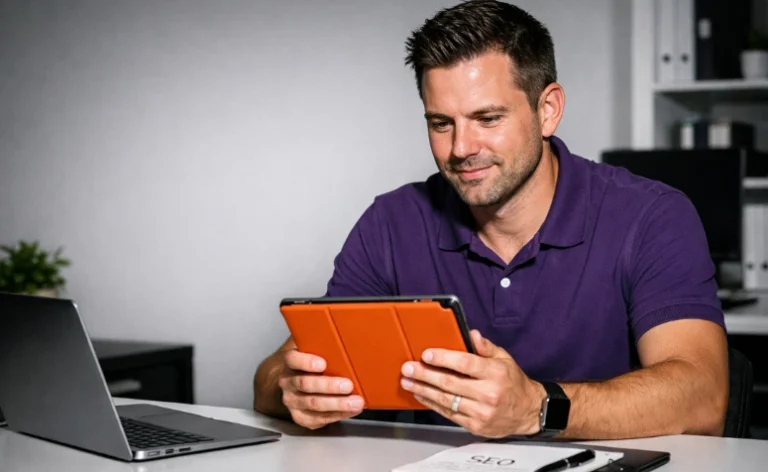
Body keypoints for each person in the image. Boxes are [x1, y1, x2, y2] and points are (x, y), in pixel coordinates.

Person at [253, 0, 728, 440]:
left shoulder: (651, 215)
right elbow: (271, 378)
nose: (461, 149)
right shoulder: (391, 223)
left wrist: (537, 408)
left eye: (487, 118)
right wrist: (292, 389)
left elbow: (704, 398)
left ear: (548, 110)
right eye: (441, 123)